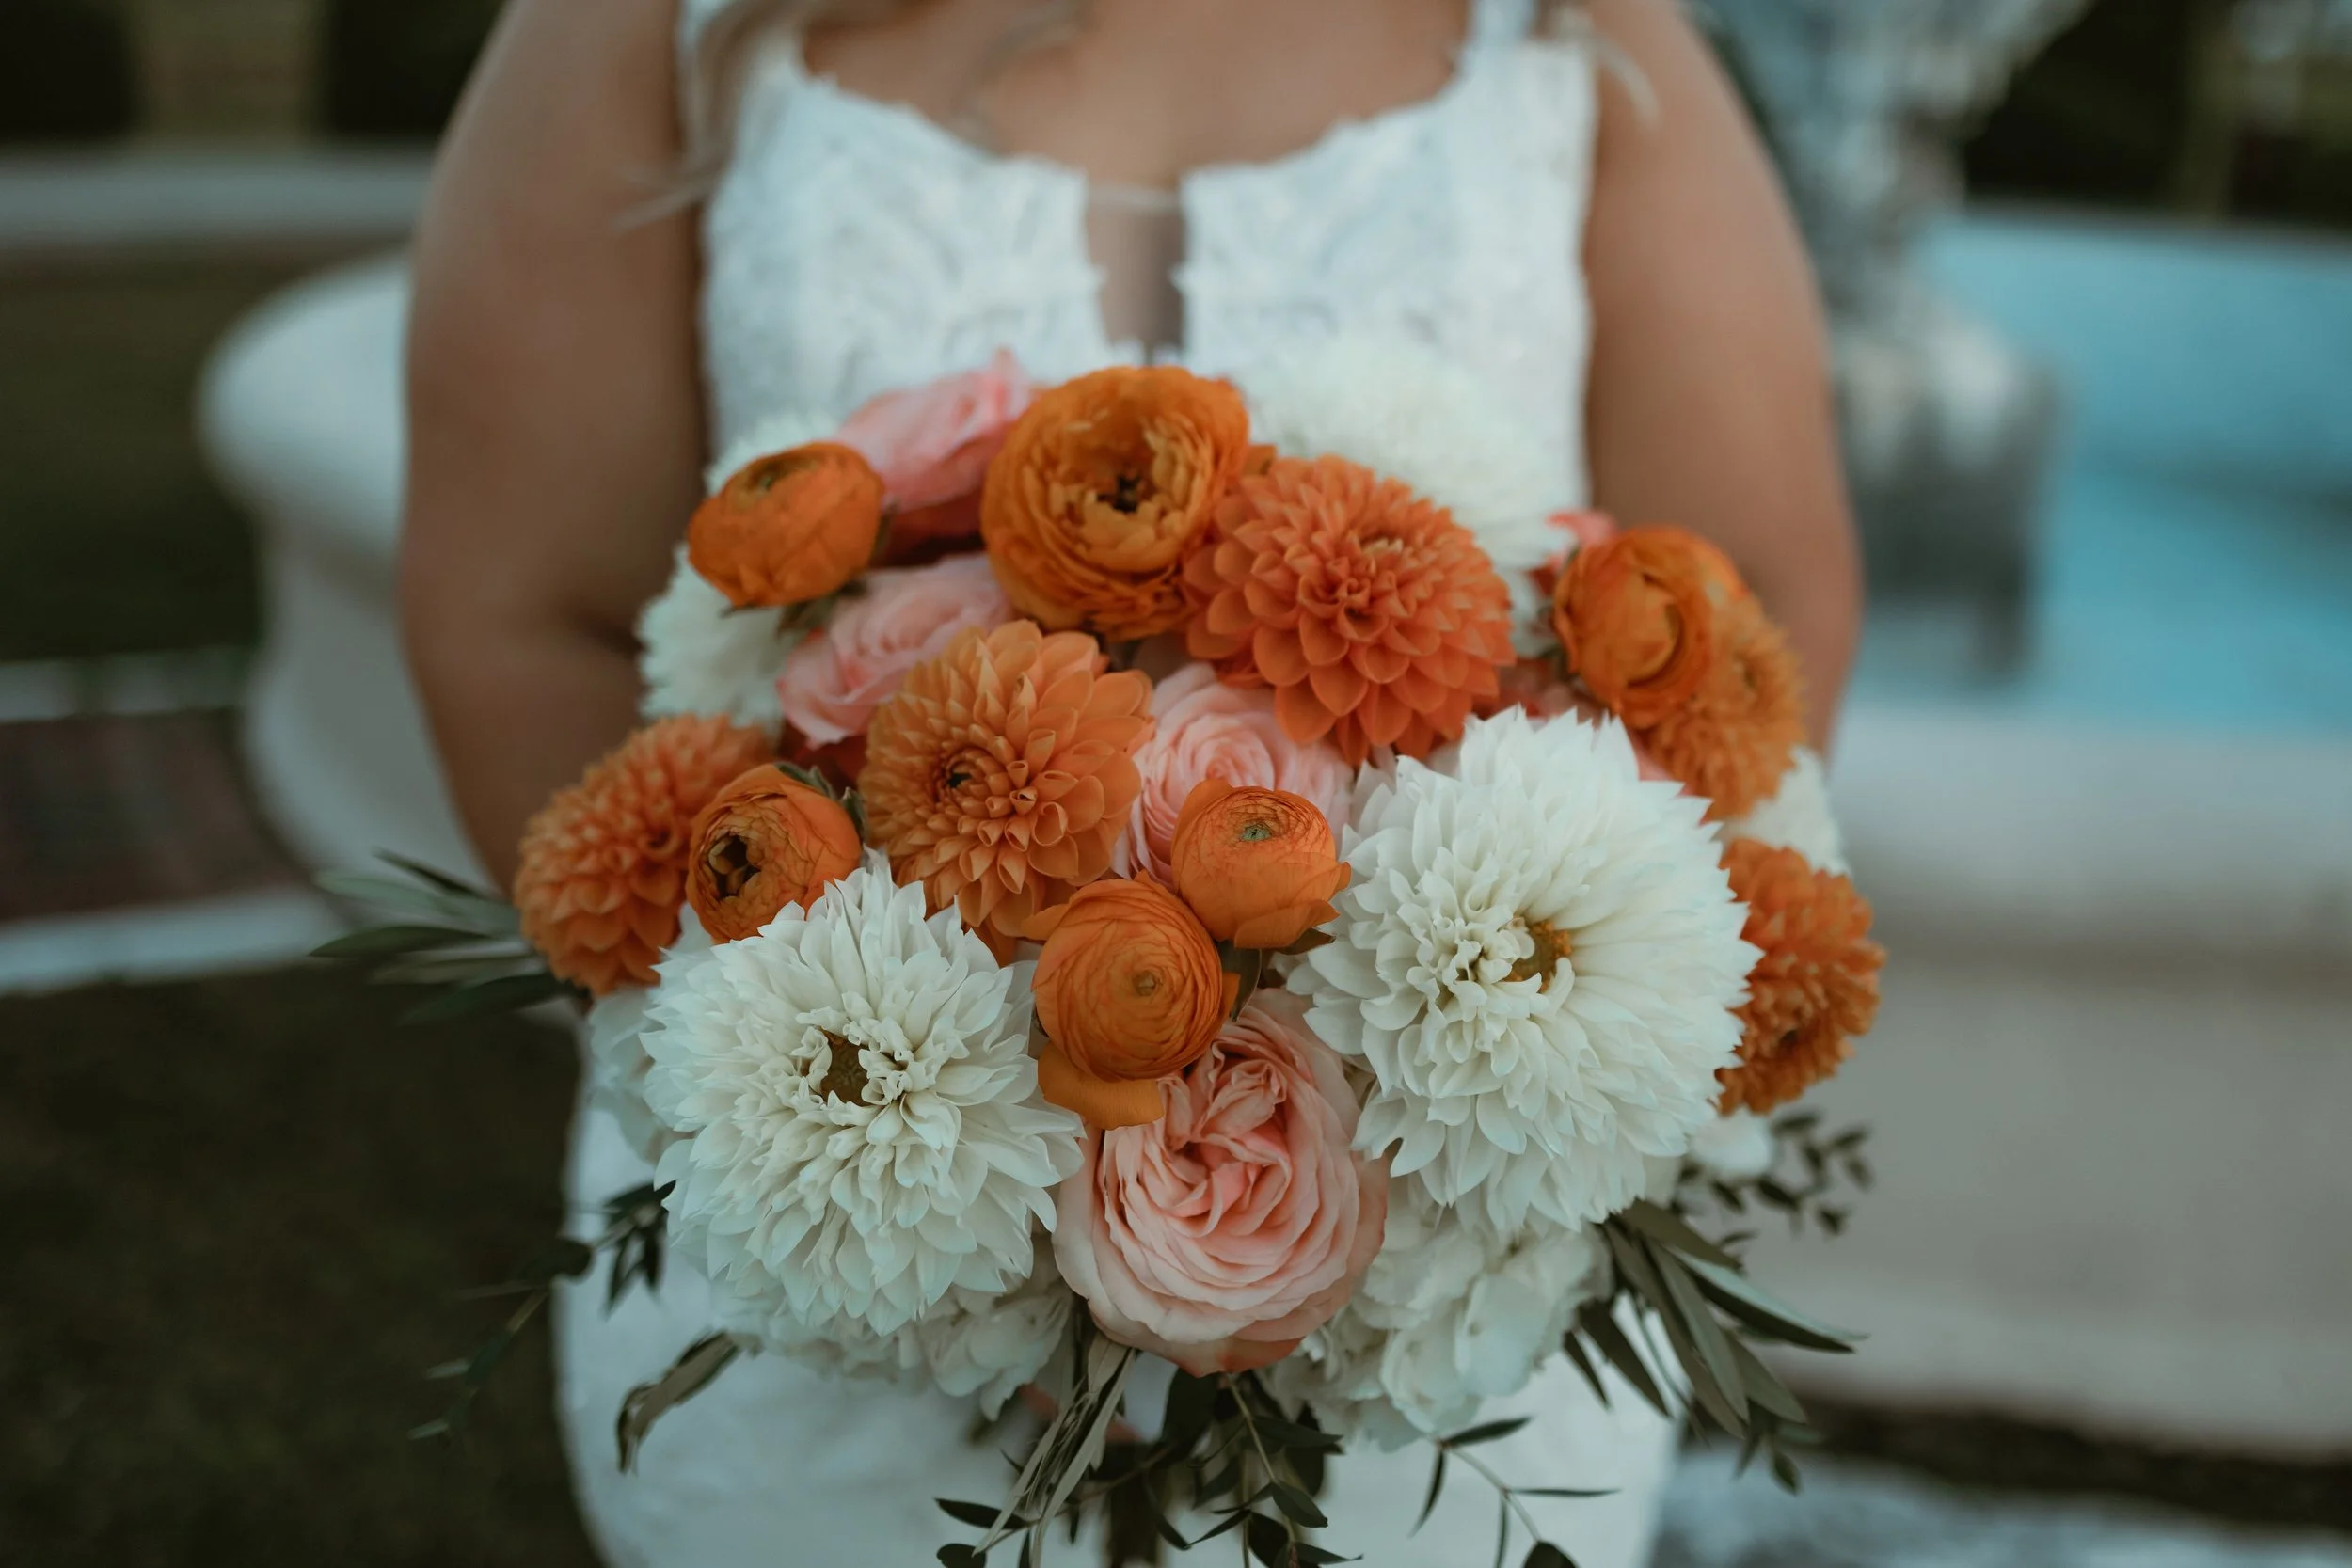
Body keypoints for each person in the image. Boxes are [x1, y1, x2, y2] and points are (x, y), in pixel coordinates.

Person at [399, 1, 1863, 1562]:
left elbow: (1756, 601)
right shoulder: (640, 27)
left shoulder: (1576, 32)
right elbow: (521, 619)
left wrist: (1393, 1182)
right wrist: (935, 1207)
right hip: (831, 1230)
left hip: (1434, 1315)